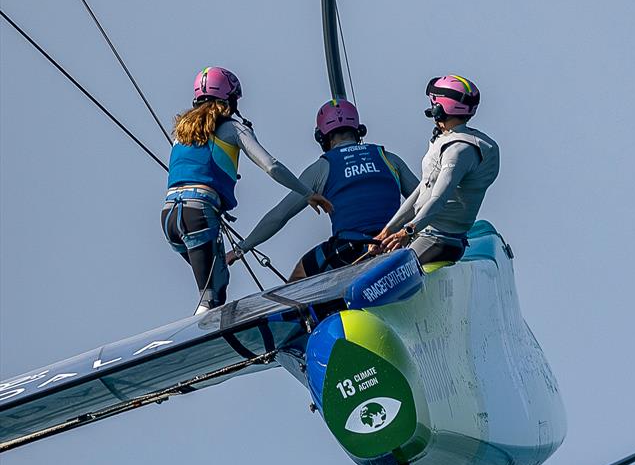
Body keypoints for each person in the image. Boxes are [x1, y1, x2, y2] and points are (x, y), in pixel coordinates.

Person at [162, 67, 332, 313]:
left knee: (218, 279)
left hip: (169, 218)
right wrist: (307, 193)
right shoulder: (233, 128)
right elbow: (272, 166)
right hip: (198, 215)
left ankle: (206, 321)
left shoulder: (182, 134)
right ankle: (203, 331)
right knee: (212, 295)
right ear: (229, 99)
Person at [226, 99, 418, 280]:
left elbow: (280, 215)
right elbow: (423, 199)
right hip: (394, 244)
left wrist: (241, 248)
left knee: (300, 273)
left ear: (321, 137)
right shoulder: (389, 158)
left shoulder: (321, 168)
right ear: (359, 130)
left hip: (350, 250)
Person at [371, 75, 500, 265]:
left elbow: (438, 199)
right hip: (428, 235)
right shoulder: (451, 140)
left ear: (440, 108)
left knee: (381, 272)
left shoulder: (459, 151)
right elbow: (422, 191)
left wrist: (407, 232)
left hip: (438, 241)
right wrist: (388, 231)